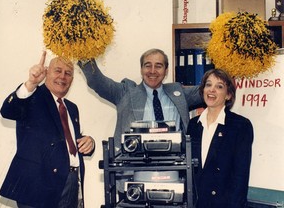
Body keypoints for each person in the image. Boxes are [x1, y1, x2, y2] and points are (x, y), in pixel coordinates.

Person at [77, 48, 203, 197]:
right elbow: (97, 81)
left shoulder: (178, 92)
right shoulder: (126, 92)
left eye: (158, 65)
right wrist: (83, 47)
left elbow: (210, 90)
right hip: (133, 175)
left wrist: (229, 60)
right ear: (141, 68)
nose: (152, 71)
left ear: (166, 70)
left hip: (173, 175)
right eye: (147, 65)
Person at [0, 51, 95, 208]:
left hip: (71, 183)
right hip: (37, 187)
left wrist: (89, 142)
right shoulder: (32, 96)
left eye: (68, 73)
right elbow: (8, 111)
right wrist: (31, 83)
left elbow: (70, 140)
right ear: (46, 72)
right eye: (58, 70)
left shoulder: (71, 108)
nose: (62, 77)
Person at [187, 68, 254, 208]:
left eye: (219, 86)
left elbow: (240, 178)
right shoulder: (193, 125)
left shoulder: (240, 126)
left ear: (228, 95)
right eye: (208, 85)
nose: (211, 90)